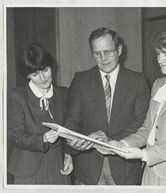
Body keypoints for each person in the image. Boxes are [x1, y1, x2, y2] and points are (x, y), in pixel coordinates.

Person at [106, 24, 166, 186]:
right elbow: (147, 129)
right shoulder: (158, 84)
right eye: (158, 54)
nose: (160, 59)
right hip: (150, 173)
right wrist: (123, 144)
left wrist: (144, 154)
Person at [64, 27, 150, 185]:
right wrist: (74, 139)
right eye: (97, 53)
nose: (103, 58)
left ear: (119, 49)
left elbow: (142, 122)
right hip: (88, 169)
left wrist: (110, 140)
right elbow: (73, 119)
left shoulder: (137, 81)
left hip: (125, 168)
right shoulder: (80, 80)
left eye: (108, 51)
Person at [7, 43, 73, 184]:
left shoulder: (63, 93)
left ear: (51, 67)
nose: (43, 78)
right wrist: (42, 138)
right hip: (27, 167)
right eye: (35, 74)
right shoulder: (18, 96)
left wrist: (69, 154)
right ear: (28, 76)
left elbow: (70, 128)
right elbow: (15, 136)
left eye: (45, 70)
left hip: (58, 164)